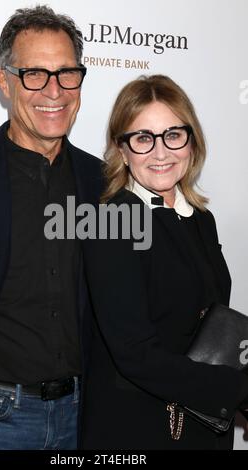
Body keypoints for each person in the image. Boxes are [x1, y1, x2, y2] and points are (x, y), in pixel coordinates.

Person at [0, 5, 102, 450]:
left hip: (86, 419)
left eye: (66, 73)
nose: (53, 91)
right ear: (4, 82)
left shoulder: (105, 182)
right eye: (34, 73)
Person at [81, 74, 248, 450]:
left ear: (192, 141)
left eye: (173, 135)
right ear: (122, 150)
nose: (161, 153)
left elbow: (210, 320)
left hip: (203, 422)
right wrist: (239, 390)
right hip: (140, 428)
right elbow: (135, 354)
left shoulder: (201, 218)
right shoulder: (111, 220)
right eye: (143, 139)